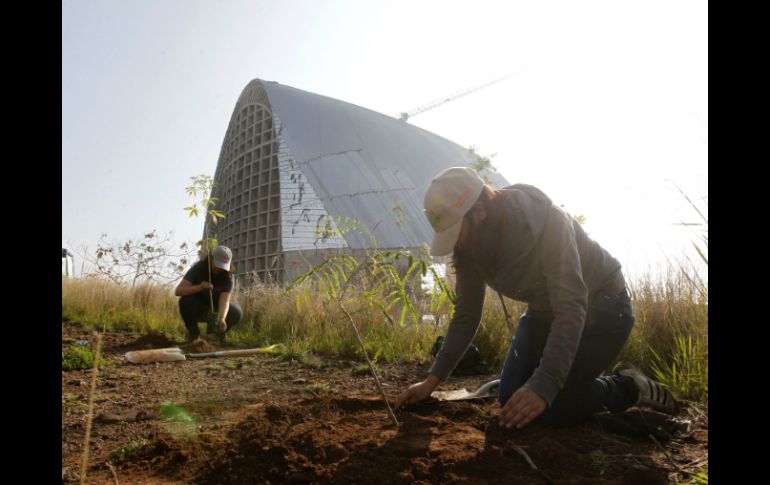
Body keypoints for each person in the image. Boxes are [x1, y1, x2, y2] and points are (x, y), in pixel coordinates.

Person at [394, 167, 677, 428]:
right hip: (545, 311)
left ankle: (628, 387)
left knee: (550, 403)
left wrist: (545, 384)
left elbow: (571, 307)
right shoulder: (470, 248)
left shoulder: (549, 224)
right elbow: (467, 315)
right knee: (511, 399)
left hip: (603, 308)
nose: (456, 243)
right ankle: (568, 386)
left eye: (457, 232)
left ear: (479, 211)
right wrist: (432, 380)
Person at [175, 245, 243, 342]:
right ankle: (194, 335)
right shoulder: (198, 268)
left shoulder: (228, 276)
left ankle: (216, 335)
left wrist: (222, 318)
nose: (219, 269)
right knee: (185, 301)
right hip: (198, 307)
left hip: (215, 310)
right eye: (217, 264)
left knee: (237, 312)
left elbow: (224, 300)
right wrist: (200, 287)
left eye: (223, 265)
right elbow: (178, 291)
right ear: (211, 259)